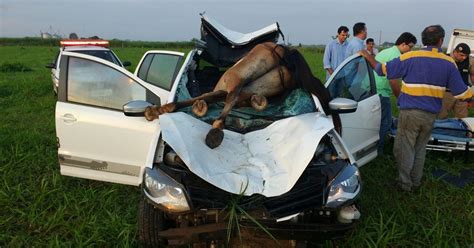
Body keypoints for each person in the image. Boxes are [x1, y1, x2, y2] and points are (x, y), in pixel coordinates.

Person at [359, 25, 473, 192]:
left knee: (405, 148)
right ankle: (415, 182)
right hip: (431, 115)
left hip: (410, 113)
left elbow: (381, 70)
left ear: (423, 40)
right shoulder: (448, 62)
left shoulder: (410, 57)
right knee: (420, 149)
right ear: (441, 41)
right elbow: (461, 92)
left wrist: (366, 55)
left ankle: (404, 185)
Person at [375, 32, 417, 154]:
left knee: (378, 121)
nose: (411, 49)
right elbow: (393, 81)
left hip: (375, 90)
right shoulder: (396, 56)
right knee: (385, 123)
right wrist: (400, 98)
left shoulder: (386, 52)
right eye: (410, 46)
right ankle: (379, 150)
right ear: (403, 44)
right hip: (381, 92)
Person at [438, 43, 474, 119]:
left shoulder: (470, 61)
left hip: (462, 94)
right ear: (455, 52)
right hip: (446, 93)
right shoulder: (444, 58)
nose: (464, 58)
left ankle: (461, 131)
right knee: (441, 117)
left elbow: (472, 74)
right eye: (461, 55)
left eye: (466, 56)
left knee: (463, 119)